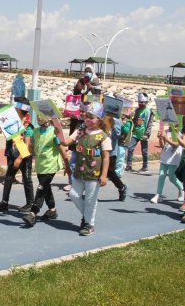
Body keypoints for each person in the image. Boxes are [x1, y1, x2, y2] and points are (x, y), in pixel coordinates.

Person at [66, 103, 111, 236]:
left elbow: (106, 158)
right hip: (79, 171)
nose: (88, 120)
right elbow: (66, 142)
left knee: (91, 199)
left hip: (94, 173)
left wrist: (104, 175)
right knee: (74, 195)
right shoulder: (80, 131)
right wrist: (57, 131)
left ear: (99, 120)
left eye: (92, 118)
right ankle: (87, 216)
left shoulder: (103, 136)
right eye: (86, 117)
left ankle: (89, 224)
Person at [21, 114, 71, 227]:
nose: (38, 117)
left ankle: (33, 213)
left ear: (49, 118)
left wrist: (67, 166)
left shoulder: (54, 132)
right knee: (46, 189)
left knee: (41, 188)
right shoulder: (36, 131)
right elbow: (33, 147)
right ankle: (52, 210)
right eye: (37, 115)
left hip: (51, 166)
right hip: (40, 166)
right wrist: (21, 144)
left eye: (42, 116)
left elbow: (62, 150)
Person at [0, 97, 34, 212]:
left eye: (16, 107)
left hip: (24, 156)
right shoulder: (13, 122)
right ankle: (4, 203)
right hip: (12, 153)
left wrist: (19, 159)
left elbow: (27, 145)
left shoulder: (28, 126)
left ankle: (30, 204)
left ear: (20, 109)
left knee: (27, 179)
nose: (14, 109)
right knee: (8, 178)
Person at [103, 93, 128, 201]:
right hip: (101, 149)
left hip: (111, 151)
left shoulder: (116, 121)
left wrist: (112, 126)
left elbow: (118, 135)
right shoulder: (102, 118)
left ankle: (122, 187)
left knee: (110, 173)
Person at [150, 125, 184, 204]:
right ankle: (158, 195)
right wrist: (160, 138)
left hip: (174, 159)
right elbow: (162, 145)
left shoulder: (179, 133)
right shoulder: (166, 131)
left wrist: (165, 138)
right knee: (162, 175)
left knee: (172, 177)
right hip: (164, 158)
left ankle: (182, 189)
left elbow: (175, 145)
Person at [125, 92, 154, 174]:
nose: (140, 104)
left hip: (144, 133)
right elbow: (134, 120)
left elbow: (150, 123)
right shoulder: (137, 110)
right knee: (130, 148)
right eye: (139, 103)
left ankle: (145, 166)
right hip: (136, 133)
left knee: (144, 151)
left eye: (142, 103)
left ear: (146, 103)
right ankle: (129, 165)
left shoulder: (148, 111)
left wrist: (147, 134)